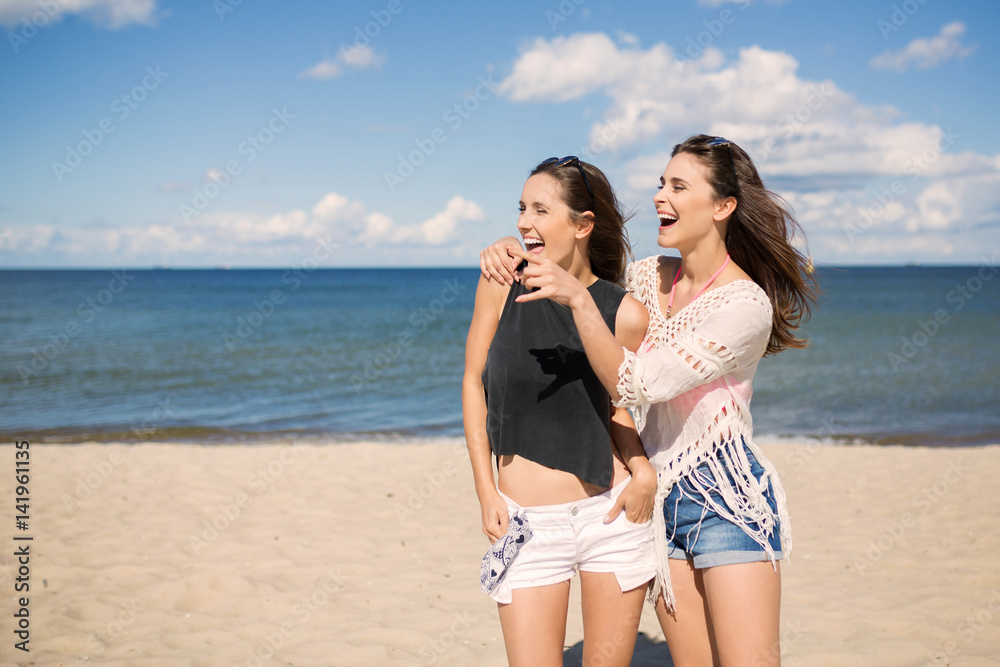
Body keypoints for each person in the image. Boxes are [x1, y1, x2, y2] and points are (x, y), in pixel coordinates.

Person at [480, 135, 818, 666]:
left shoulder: (746, 305)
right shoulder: (645, 275)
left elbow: (638, 384)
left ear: (723, 207)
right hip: (655, 499)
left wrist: (576, 298)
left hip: (726, 497)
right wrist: (513, 246)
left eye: (678, 186)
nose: (661, 195)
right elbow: (585, 281)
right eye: (661, 182)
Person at [462, 156, 658, 667]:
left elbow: (618, 408)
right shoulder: (501, 282)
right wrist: (486, 489)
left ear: (582, 225)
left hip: (610, 518)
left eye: (540, 209)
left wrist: (641, 470)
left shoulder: (624, 311)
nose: (524, 221)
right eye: (521, 208)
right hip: (524, 521)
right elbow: (471, 384)